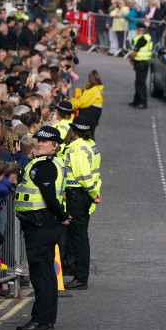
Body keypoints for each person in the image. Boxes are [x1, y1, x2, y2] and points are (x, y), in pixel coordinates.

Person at [14, 126, 71, 330]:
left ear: (55, 146)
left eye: (45, 142)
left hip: (41, 225)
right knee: (45, 274)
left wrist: (63, 216)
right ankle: (46, 319)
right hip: (43, 224)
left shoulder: (45, 165)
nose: (39, 143)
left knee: (41, 276)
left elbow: (49, 195)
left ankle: (41, 320)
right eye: (38, 140)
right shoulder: (47, 162)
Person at [63, 116, 102, 290]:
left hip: (78, 194)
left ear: (74, 131)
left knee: (78, 239)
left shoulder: (77, 148)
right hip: (84, 195)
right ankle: (81, 276)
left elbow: (84, 176)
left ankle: (80, 278)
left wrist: (93, 193)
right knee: (81, 237)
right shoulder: (90, 145)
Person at [129, 23, 152, 109]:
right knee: (138, 82)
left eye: (137, 30)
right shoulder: (147, 37)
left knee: (140, 83)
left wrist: (131, 59)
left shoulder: (142, 39)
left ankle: (143, 102)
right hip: (143, 63)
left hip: (141, 64)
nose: (136, 31)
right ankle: (136, 101)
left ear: (140, 30)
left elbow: (135, 52)